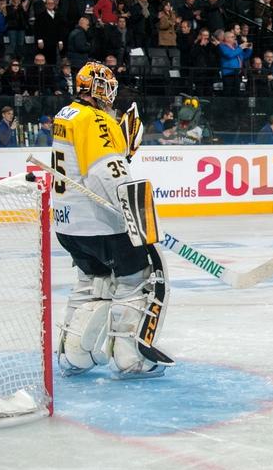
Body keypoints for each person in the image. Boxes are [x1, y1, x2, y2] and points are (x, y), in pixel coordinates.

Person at [52, 61, 172, 379]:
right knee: (136, 281)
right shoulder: (96, 119)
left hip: (67, 224)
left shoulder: (66, 114)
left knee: (92, 283)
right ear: (98, 88)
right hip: (102, 225)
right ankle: (131, 358)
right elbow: (107, 173)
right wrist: (138, 216)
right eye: (108, 88)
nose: (111, 96)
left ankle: (74, 355)